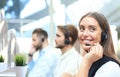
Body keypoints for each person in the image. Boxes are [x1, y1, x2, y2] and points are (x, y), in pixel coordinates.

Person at [75, 12, 120, 77]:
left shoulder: (110, 66)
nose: (84, 34)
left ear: (104, 35)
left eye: (92, 29)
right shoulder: (87, 60)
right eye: (82, 29)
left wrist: (86, 62)